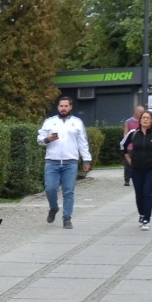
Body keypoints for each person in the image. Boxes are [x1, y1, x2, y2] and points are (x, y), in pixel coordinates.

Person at [37, 96, 92, 228]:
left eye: (66, 106)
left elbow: (82, 142)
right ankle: (54, 208)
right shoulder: (50, 122)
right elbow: (39, 138)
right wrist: (47, 139)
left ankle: (67, 218)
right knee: (50, 189)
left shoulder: (77, 122)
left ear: (70, 107)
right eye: (61, 106)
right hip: (52, 161)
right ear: (58, 107)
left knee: (68, 191)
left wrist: (86, 159)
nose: (63, 108)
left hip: (70, 161)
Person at [122, 105, 145, 186]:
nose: (142, 113)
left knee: (139, 163)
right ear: (135, 111)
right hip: (130, 147)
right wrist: (126, 143)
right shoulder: (128, 121)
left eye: (143, 112)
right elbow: (125, 133)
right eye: (140, 112)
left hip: (140, 146)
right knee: (128, 164)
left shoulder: (143, 122)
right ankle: (127, 179)